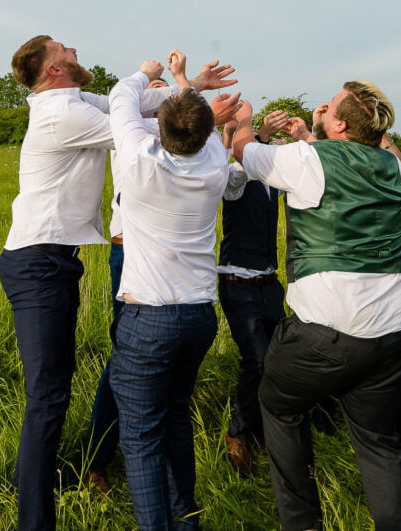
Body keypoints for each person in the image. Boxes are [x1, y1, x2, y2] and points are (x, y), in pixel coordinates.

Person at [0, 36, 235, 531]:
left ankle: (29, 478)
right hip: (36, 261)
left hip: (56, 259)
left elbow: (141, 107)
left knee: (55, 389)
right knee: (48, 395)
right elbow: (139, 122)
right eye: (65, 49)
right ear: (52, 69)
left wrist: (188, 90)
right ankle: (33, 518)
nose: (76, 48)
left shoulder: (76, 99)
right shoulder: (59, 112)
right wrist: (163, 83)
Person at [229, 81, 401, 531]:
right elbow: (383, 148)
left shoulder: (307, 158)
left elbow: (243, 152)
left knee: (278, 406)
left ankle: (302, 522)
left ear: (337, 123)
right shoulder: (392, 164)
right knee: (379, 442)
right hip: (393, 331)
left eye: (329, 106)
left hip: (327, 332)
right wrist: (326, 127)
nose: (322, 107)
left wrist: (245, 121)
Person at [107, 59, 246, 530]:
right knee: (175, 418)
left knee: (141, 438)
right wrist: (186, 83)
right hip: (198, 317)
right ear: (211, 130)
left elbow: (120, 100)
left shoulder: (138, 161)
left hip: (149, 318)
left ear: (159, 128)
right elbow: (196, 122)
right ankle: (185, 521)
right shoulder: (213, 163)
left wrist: (147, 72)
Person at [216, 109, 292, 476]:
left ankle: (272, 426)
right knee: (257, 360)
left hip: (269, 282)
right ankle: (239, 433)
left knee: (280, 358)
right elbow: (241, 165)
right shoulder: (233, 177)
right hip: (237, 283)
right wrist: (257, 134)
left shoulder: (270, 180)